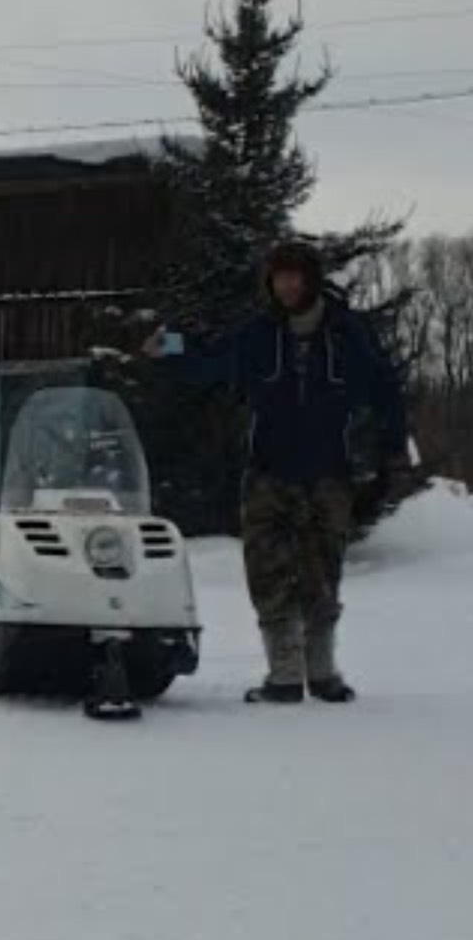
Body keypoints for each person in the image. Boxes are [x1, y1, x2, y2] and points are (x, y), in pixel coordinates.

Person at [143, 239, 411, 704]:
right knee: (267, 572)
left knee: (322, 572)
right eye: (278, 277)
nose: (286, 285)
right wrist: (168, 345)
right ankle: (284, 674)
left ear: (310, 279)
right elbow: (211, 362)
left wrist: (391, 452)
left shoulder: (346, 333)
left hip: (329, 473)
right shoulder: (259, 334)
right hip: (269, 472)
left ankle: (323, 672)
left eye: (294, 275)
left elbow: (384, 390)